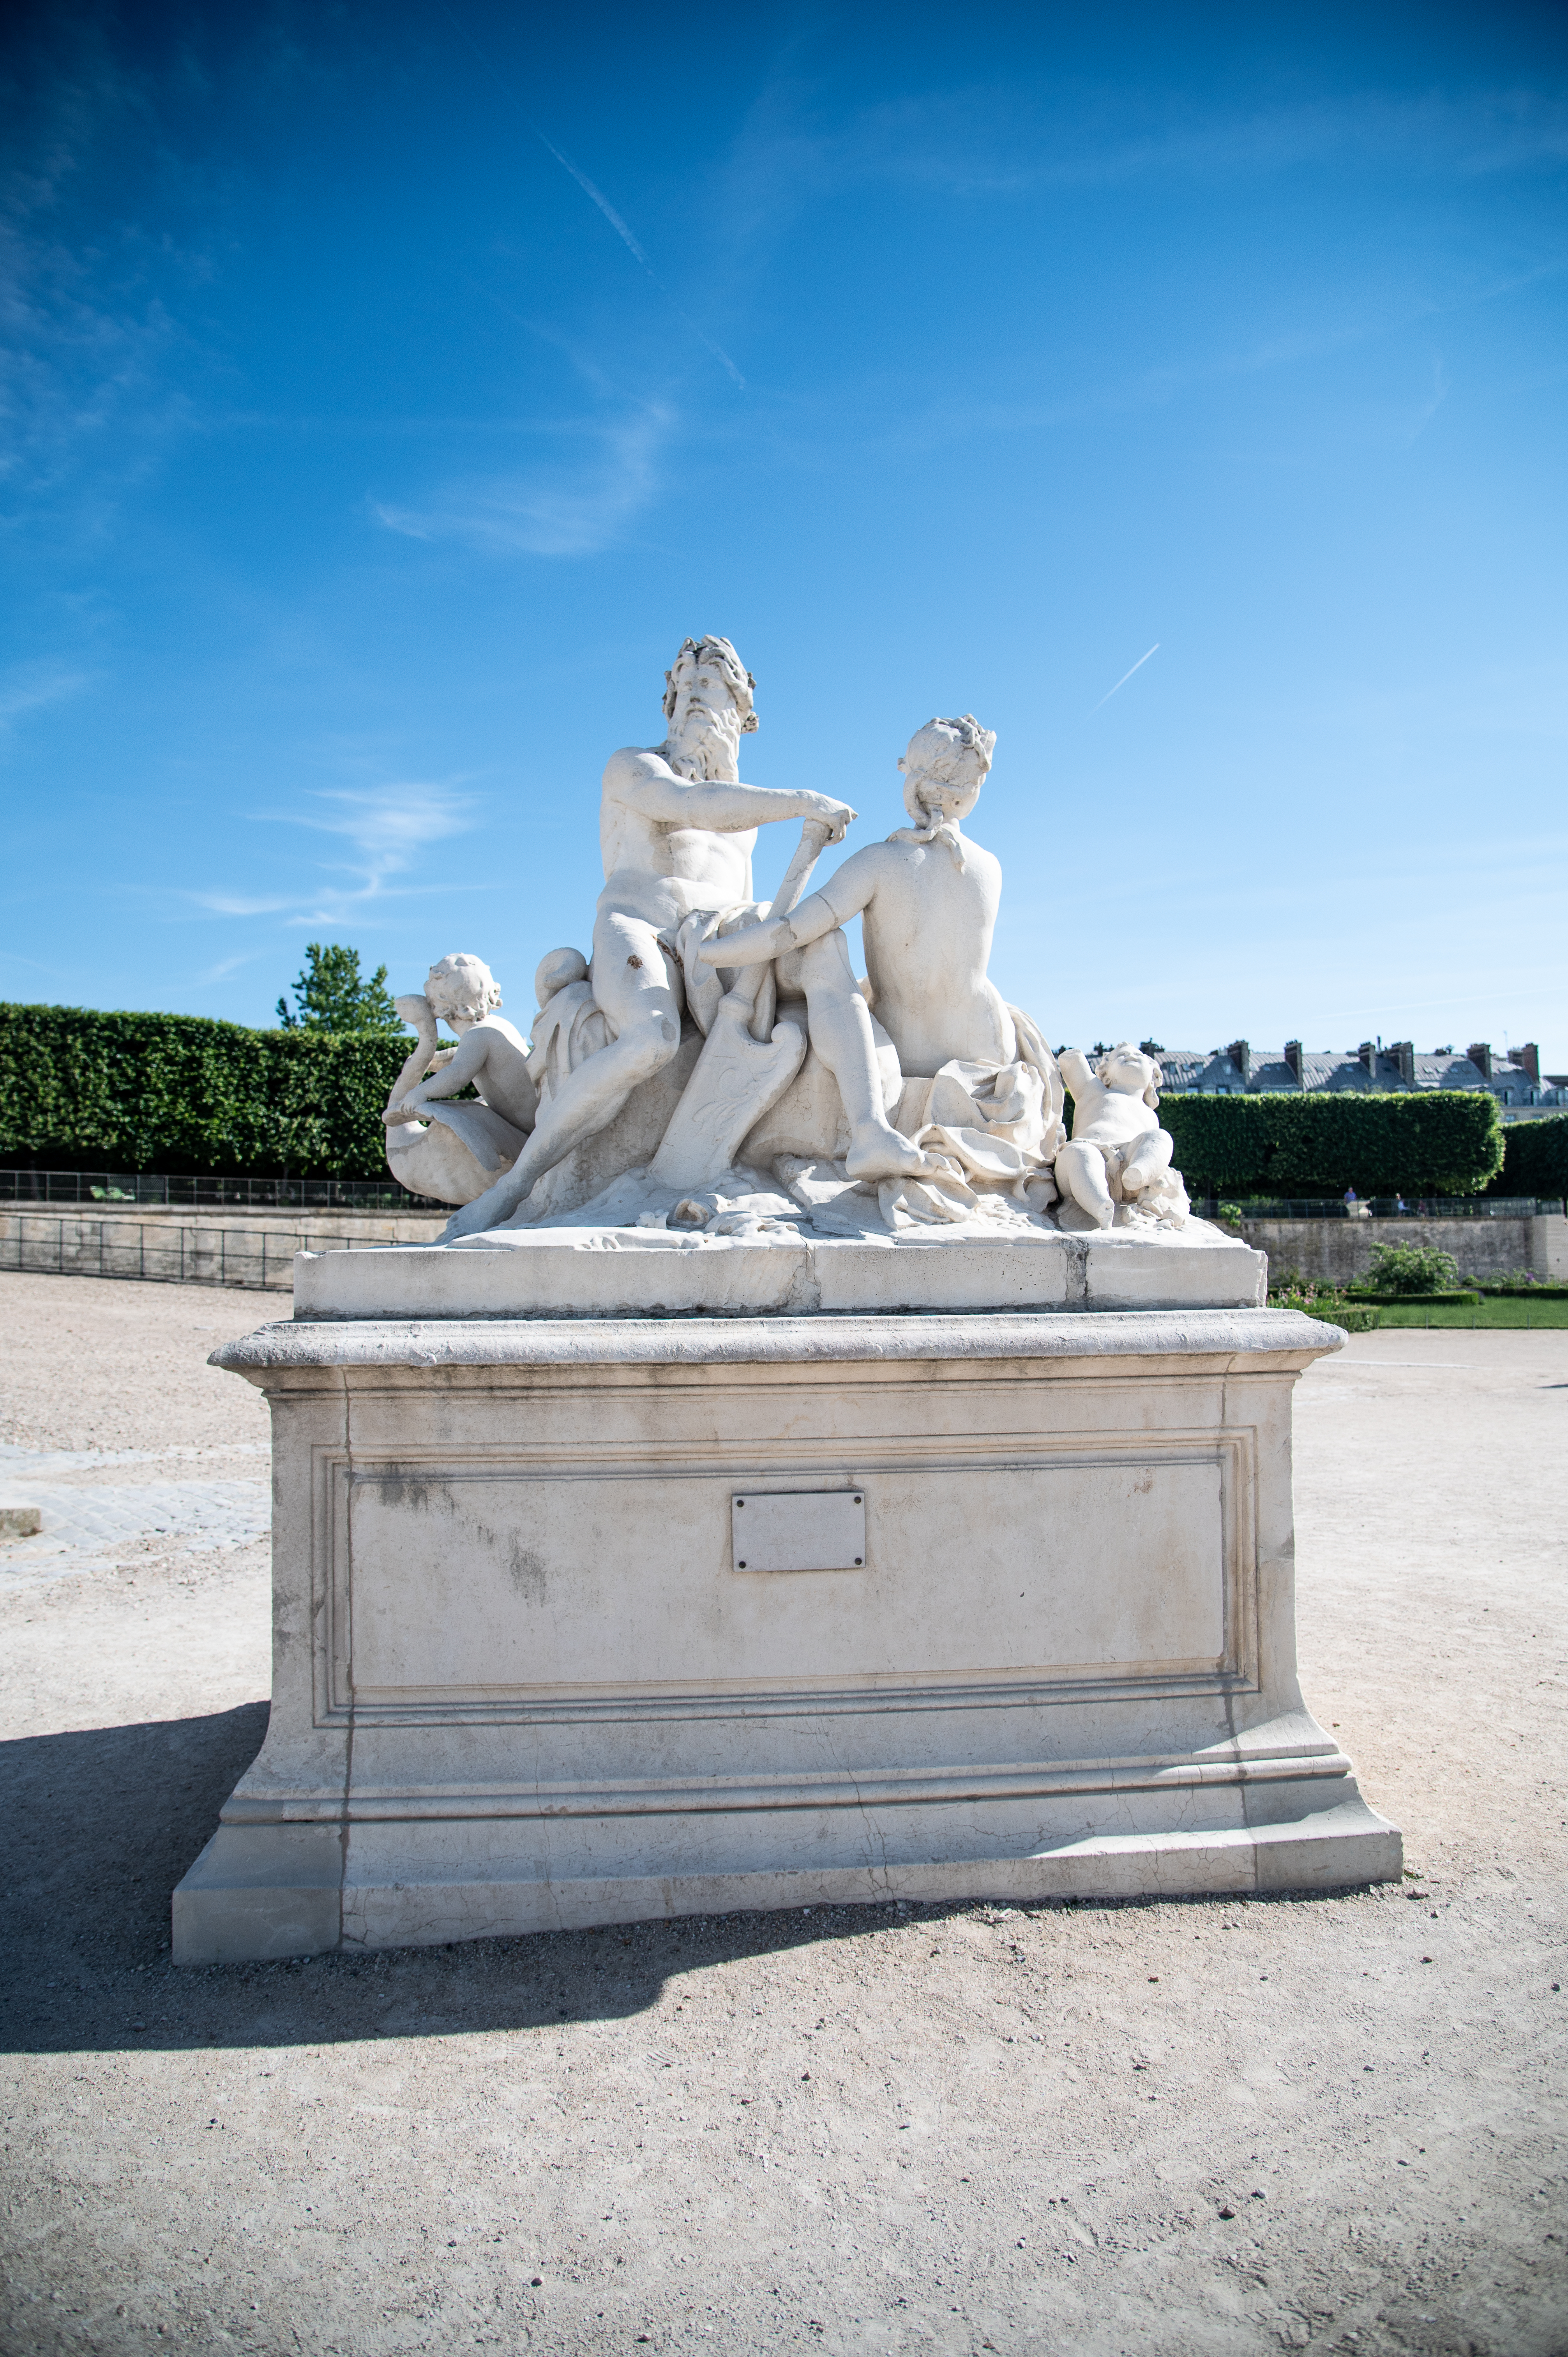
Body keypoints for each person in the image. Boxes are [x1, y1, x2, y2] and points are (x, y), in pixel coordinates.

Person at [443, 637, 860, 1238]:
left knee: (818, 956)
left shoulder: (745, 820)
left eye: (709, 686)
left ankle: (857, 1137)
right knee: (651, 1041)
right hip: (637, 929)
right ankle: (515, 1188)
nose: (691, 697)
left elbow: (746, 892)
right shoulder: (635, 765)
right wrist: (801, 803)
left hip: (710, 946)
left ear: (740, 709)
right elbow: (691, 804)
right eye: (683, 688)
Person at [696, 714, 1018, 1081]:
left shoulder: (879, 862)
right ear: (971, 788)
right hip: (987, 1043)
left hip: (905, 1049)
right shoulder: (990, 868)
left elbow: (791, 931)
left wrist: (708, 953)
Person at [1053, 1043, 1176, 1230]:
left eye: (1138, 1055)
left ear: (1152, 1078)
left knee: (1161, 1138)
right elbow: (1070, 1064)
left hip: (1128, 1161)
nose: (1131, 1056)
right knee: (1082, 1154)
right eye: (1122, 1055)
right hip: (1088, 1150)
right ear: (1106, 1075)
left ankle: (1139, 1174)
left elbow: (1150, 1147)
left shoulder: (1150, 1113)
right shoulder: (1094, 1091)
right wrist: (1074, 1056)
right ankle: (1100, 1205)